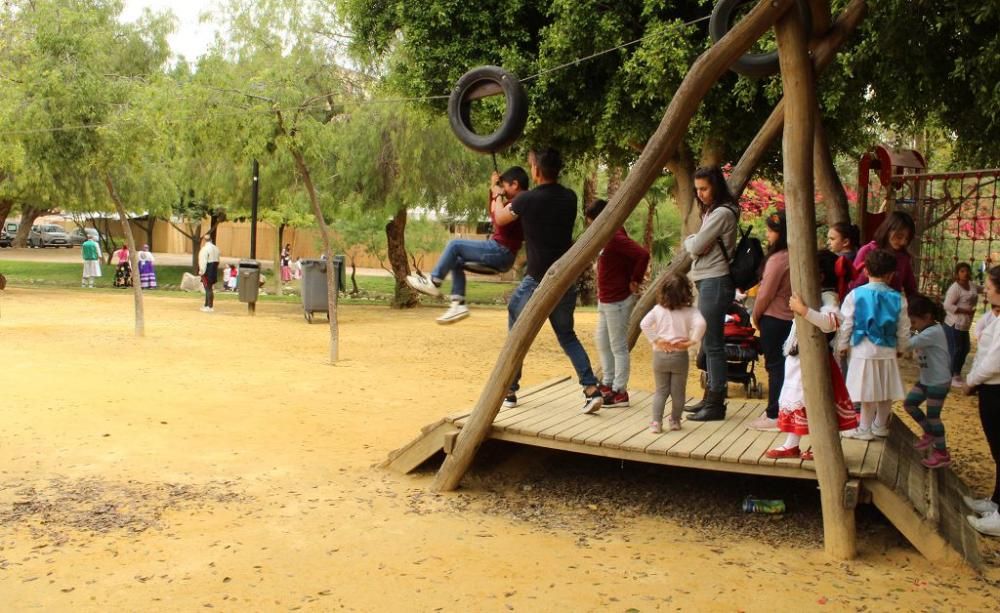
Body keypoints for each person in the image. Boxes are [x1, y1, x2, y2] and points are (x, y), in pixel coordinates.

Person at [492, 149, 603, 413]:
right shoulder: (569, 197)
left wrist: (496, 192)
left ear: (537, 172)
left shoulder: (527, 200)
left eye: (532, 166)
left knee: (516, 331)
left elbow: (500, 218)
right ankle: (591, 389)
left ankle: (510, 390)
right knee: (567, 335)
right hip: (564, 279)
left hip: (536, 280)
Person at [407, 167, 528, 324]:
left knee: (455, 244)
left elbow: (499, 220)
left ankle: (434, 282)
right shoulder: (513, 202)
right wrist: (494, 192)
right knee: (455, 259)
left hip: (501, 251)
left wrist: (497, 194)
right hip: (500, 252)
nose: (502, 190)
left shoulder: (521, 201)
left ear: (515, 185)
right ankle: (458, 304)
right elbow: (494, 215)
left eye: (504, 186)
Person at [766, 250, 857, 459]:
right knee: (795, 397)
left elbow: (830, 322)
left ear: (820, 275)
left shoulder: (827, 296)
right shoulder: (814, 295)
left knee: (816, 402)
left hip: (817, 360)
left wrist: (804, 310)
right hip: (798, 357)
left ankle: (820, 445)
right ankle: (791, 442)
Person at [682, 166, 738, 421]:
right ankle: (709, 398)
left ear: (716, 185)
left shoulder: (722, 213)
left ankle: (716, 403)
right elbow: (698, 245)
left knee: (714, 344)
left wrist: (692, 242)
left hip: (715, 280)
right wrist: (696, 243)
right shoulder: (712, 212)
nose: (700, 194)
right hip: (708, 280)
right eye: (697, 190)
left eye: (704, 188)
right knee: (709, 342)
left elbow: (695, 244)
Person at [837, 249, 911, 440]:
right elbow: (904, 327)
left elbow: (847, 323)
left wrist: (842, 344)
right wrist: (902, 347)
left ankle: (864, 428)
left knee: (867, 391)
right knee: (886, 389)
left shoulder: (855, 295)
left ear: (866, 271)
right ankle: (880, 425)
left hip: (863, 348)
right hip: (887, 348)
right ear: (891, 274)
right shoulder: (899, 298)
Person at [585, 198, 650, 408]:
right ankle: (608, 382)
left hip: (618, 299)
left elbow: (642, 254)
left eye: (592, 221)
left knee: (618, 345)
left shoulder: (615, 236)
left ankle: (620, 390)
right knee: (602, 341)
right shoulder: (607, 236)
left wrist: (635, 280)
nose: (590, 226)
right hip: (605, 299)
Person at [962, 265, 1000, 536]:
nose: (985, 289)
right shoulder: (995, 316)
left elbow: (994, 361)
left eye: (989, 286)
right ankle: (996, 503)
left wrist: (972, 380)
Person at [640, 275, 706, 433]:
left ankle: (656, 422)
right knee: (678, 392)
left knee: (661, 391)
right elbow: (701, 324)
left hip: (660, 356)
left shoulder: (658, 309)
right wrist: (692, 341)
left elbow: (644, 324)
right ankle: (675, 420)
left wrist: (656, 340)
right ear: (686, 292)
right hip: (679, 355)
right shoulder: (690, 311)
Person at [750, 211, 793, 431]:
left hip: (774, 318)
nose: (767, 234)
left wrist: (756, 316)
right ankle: (782, 410)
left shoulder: (778, 259)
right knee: (786, 367)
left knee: (775, 366)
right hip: (791, 319)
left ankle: (774, 414)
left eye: (770, 230)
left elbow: (765, 294)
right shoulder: (796, 255)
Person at [903, 295, 953, 468]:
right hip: (927, 379)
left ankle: (942, 454)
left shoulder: (933, 332)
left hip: (938, 382)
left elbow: (907, 344)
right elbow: (912, 334)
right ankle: (930, 434)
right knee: (910, 404)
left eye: (914, 322)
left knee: (933, 416)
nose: (913, 326)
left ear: (927, 317)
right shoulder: (925, 329)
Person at [850, 211, 917, 297]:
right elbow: (852, 284)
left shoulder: (903, 258)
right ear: (888, 230)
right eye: (899, 237)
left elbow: (911, 289)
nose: (903, 242)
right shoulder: (867, 251)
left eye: (907, 239)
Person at [943, 262, 980, 387]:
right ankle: (951, 375)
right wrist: (965, 311)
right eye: (962, 271)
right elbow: (947, 305)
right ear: (957, 274)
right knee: (956, 349)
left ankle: (956, 373)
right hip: (954, 323)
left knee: (965, 349)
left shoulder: (972, 285)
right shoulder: (955, 288)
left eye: (967, 271)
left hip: (965, 324)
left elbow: (983, 289)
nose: (965, 273)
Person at [827, 221, 860, 302]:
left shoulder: (839, 260)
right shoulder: (858, 253)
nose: (828, 242)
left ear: (845, 242)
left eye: (832, 239)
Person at [198, 237, 221, 312]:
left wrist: (202, 271)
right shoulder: (216, 248)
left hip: (207, 268)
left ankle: (209, 306)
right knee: (210, 288)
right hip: (214, 268)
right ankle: (207, 305)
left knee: (207, 288)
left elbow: (203, 261)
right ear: (211, 240)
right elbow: (218, 260)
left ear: (204, 241)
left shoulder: (204, 249)